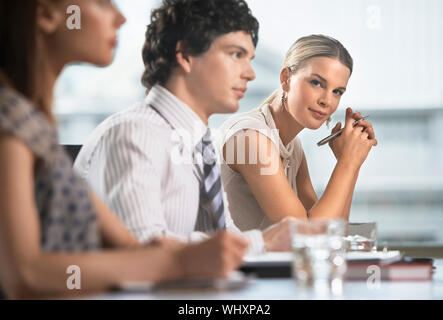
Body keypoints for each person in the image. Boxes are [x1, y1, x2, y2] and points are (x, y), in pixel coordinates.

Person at [0, 0, 248, 299]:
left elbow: (136, 248)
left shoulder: (36, 128)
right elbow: (26, 275)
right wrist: (174, 262)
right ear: (46, 14)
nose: (120, 17)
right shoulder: (9, 118)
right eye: (103, 3)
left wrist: (173, 256)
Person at [74, 0, 293, 254]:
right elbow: (141, 251)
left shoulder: (199, 141)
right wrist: (263, 242)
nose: (251, 73)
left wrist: (275, 242)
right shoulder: (135, 133)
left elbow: (223, 236)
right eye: (236, 55)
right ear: (186, 56)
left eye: (250, 58)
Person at [215, 35, 378, 231]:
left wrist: (352, 161)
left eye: (337, 92)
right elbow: (306, 236)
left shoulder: (293, 147)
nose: (327, 100)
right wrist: (347, 163)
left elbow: (333, 231)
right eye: (317, 83)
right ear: (286, 78)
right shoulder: (251, 137)